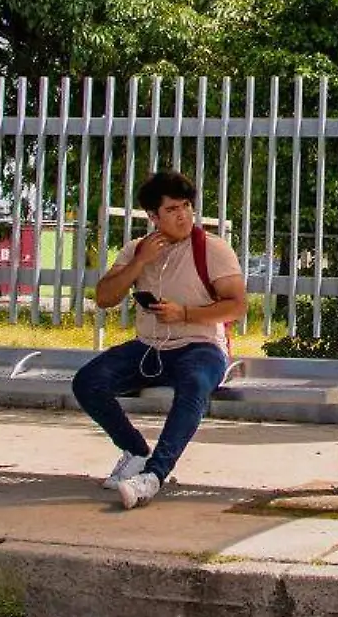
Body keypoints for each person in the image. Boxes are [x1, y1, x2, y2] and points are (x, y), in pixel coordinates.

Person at [73, 171, 246, 509]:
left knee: (194, 386)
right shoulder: (137, 249)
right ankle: (136, 451)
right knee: (88, 381)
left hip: (201, 346)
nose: (183, 216)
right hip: (150, 347)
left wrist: (185, 314)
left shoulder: (213, 249)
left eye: (186, 207)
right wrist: (139, 263)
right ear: (153, 216)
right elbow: (105, 297)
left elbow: (237, 306)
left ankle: (153, 475)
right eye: (172, 210)